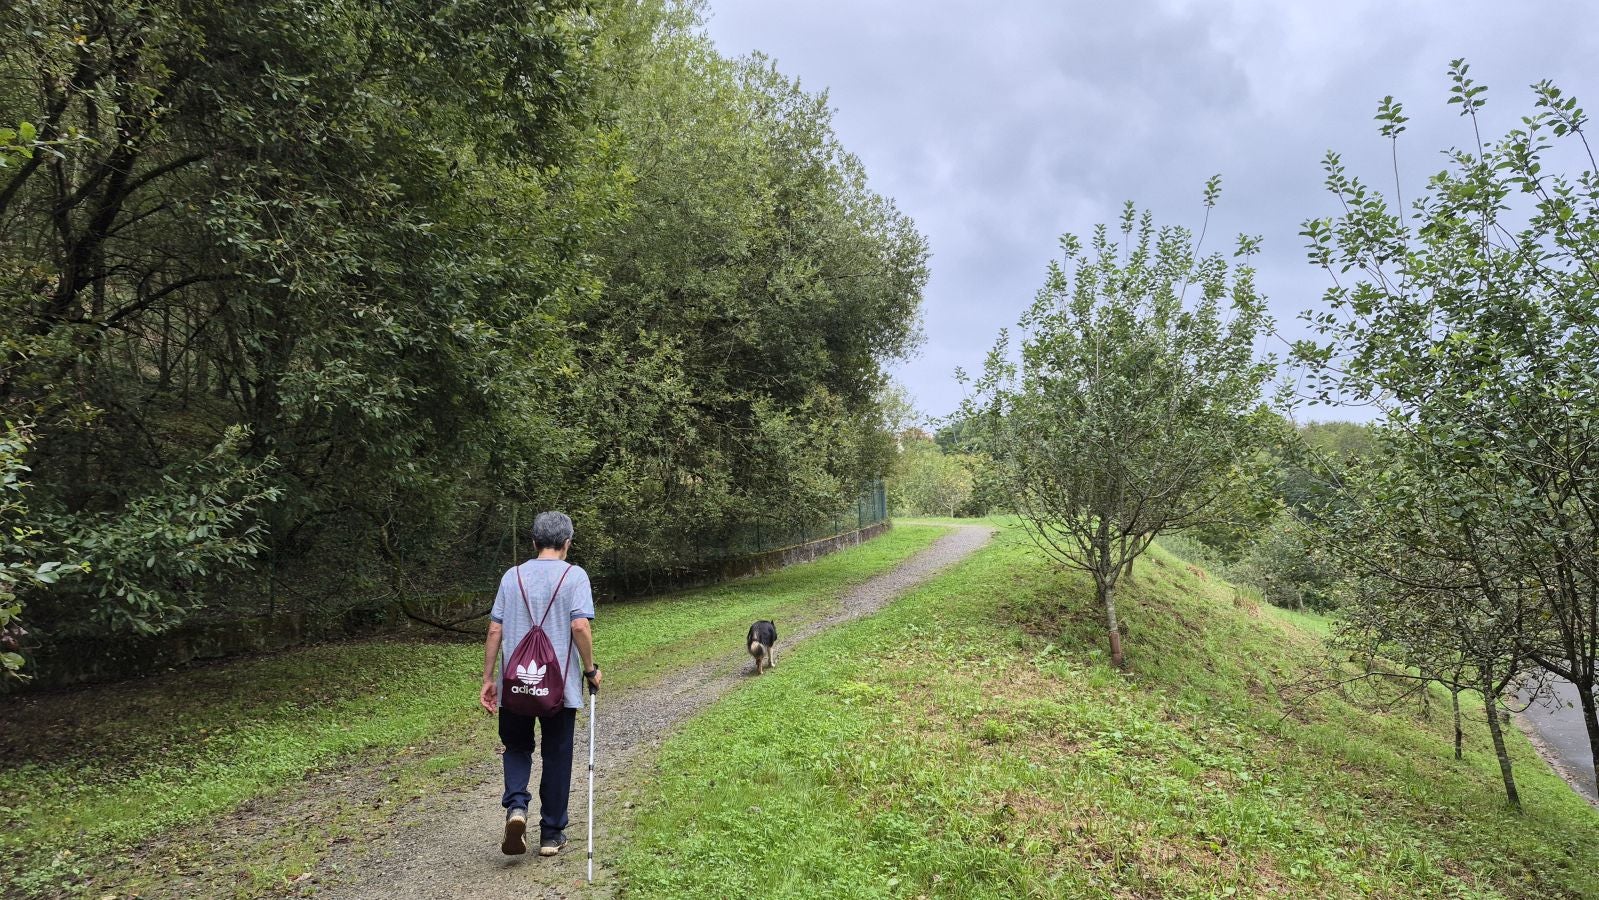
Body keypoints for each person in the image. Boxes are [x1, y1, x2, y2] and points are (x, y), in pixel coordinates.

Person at [480, 511, 602, 856]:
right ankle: (550, 835)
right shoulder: (575, 576)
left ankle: (517, 806)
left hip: (515, 686)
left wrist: (489, 679)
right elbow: (580, 626)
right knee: (557, 755)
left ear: (534, 543)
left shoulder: (512, 576)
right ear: (567, 543)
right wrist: (590, 670)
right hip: (559, 688)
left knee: (517, 748)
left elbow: (494, 629)